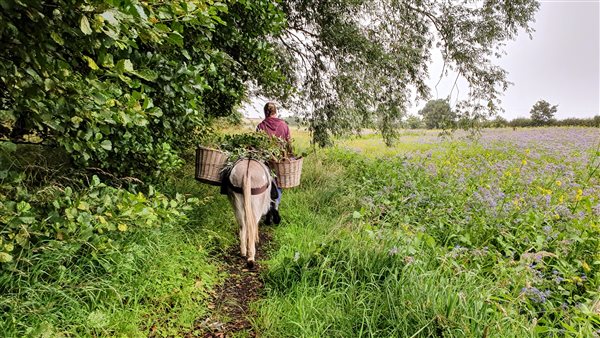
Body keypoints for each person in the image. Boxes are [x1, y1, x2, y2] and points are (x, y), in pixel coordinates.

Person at [256, 102, 290, 225]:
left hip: (265, 161)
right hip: (279, 161)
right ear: (276, 112)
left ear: (265, 112)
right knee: (278, 184)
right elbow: (288, 143)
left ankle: (265, 210)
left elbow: (257, 145)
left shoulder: (260, 126)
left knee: (264, 185)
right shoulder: (284, 125)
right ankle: (275, 206)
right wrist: (290, 155)